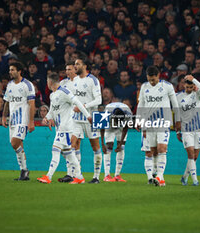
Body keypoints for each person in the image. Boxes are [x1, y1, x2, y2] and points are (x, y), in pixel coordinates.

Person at [37, 72, 91, 184]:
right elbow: (52, 111)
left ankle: (48, 176)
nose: (47, 83)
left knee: (55, 150)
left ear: (50, 82)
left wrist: (88, 116)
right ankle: (80, 177)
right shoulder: (53, 95)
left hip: (66, 128)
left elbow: (78, 103)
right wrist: (46, 118)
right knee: (70, 155)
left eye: (47, 81)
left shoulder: (65, 92)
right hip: (60, 129)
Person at [136, 65, 181, 186]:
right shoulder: (144, 87)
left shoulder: (167, 86)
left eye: (153, 79)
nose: (151, 82)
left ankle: (160, 176)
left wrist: (178, 120)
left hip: (163, 122)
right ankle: (154, 176)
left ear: (158, 76)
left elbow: (175, 105)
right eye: (149, 79)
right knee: (153, 151)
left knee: (162, 149)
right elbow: (141, 105)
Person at [71, 55, 102, 183]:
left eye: (78, 64)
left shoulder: (93, 80)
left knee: (95, 147)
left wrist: (83, 106)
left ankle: (96, 177)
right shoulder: (75, 80)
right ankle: (78, 175)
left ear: (85, 66)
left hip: (92, 118)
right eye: (75, 64)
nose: (75, 66)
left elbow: (99, 100)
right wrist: (74, 106)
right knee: (72, 145)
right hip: (76, 119)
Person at [2, 62, 35, 181]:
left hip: (23, 120)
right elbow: (6, 101)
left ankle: (24, 170)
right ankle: (24, 170)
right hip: (12, 120)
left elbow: (32, 104)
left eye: (13, 70)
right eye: (10, 70)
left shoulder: (27, 85)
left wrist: (31, 122)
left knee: (14, 143)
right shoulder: (10, 84)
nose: (10, 72)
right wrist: (3, 116)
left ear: (19, 71)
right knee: (17, 146)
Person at [176, 75, 200, 186]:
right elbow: (177, 114)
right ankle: (195, 180)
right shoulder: (178, 97)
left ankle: (184, 177)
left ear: (194, 86)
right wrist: (177, 130)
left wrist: (194, 79)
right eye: (187, 87)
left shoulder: (198, 94)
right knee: (190, 154)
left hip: (198, 129)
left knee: (195, 157)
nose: (189, 89)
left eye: (191, 87)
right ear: (184, 85)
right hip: (186, 130)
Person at [101, 102, 132, 182]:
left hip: (121, 128)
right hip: (109, 127)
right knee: (109, 147)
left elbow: (126, 127)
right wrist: (102, 143)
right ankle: (107, 175)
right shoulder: (107, 112)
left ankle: (117, 175)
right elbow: (102, 127)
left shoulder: (128, 113)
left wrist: (121, 143)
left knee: (121, 148)